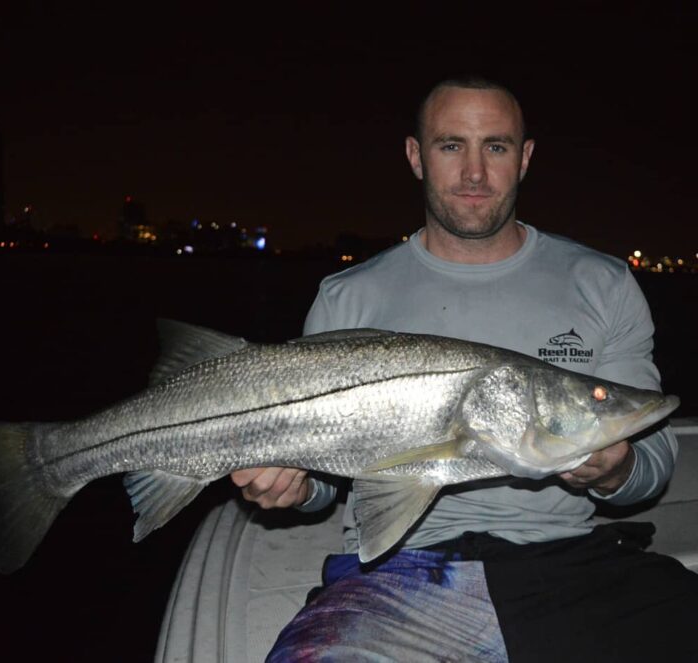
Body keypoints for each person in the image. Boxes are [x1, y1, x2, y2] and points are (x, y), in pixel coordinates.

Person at [231, 76, 698, 662]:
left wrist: (615, 468)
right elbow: (325, 479)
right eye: (452, 146)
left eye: (496, 147)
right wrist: (293, 487)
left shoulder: (602, 282)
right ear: (415, 156)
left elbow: (650, 464)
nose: (474, 174)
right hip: (396, 574)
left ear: (524, 158)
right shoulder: (348, 296)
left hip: (571, 562)